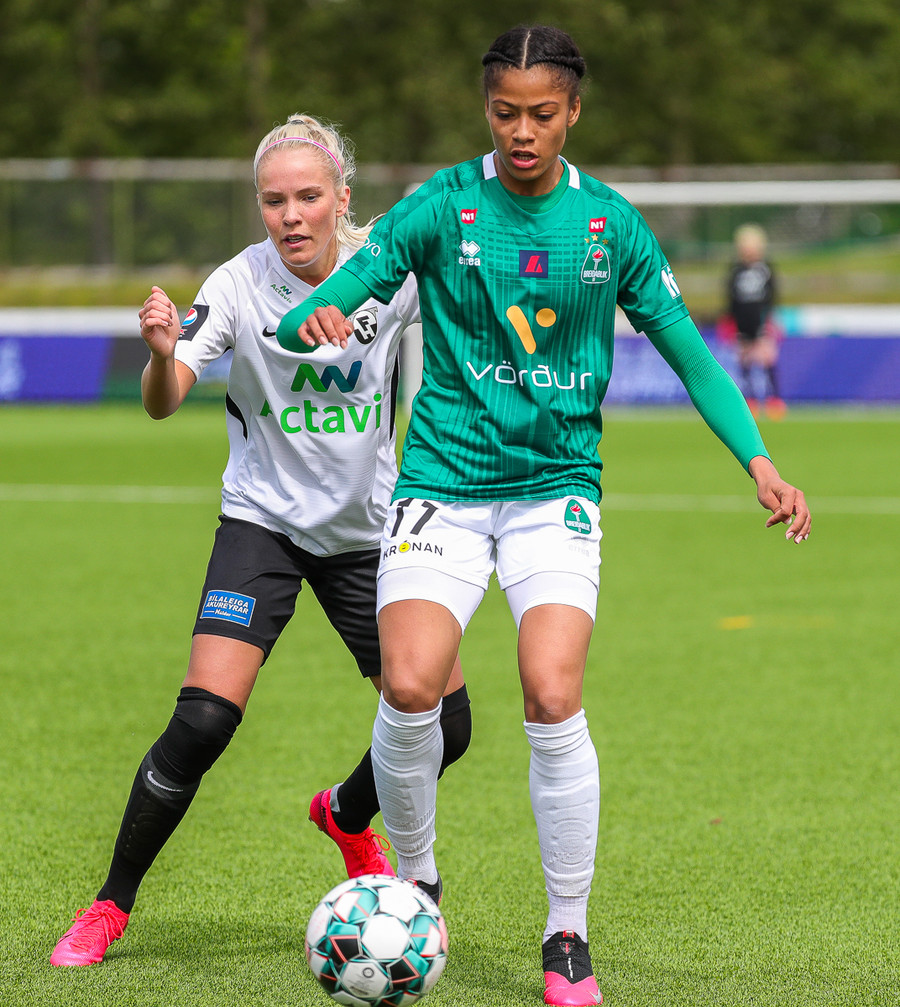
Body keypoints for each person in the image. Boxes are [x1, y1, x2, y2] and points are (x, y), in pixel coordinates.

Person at [277, 25, 811, 1007]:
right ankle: (416, 885)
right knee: (411, 684)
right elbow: (341, 290)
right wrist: (316, 313)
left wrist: (761, 461)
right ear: (487, 110)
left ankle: (567, 930)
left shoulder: (610, 225)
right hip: (442, 484)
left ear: (573, 112)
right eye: (504, 113)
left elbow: (690, 352)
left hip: (556, 490)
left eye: (542, 114)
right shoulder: (442, 203)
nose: (521, 131)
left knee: (552, 692)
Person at [50, 114, 471, 968]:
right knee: (203, 719)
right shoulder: (238, 283)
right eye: (274, 200)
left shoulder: (387, 274)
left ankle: (346, 811)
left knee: (448, 725)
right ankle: (109, 904)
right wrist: (161, 355)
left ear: (341, 199)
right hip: (263, 526)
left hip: (369, 534)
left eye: (308, 196)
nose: (290, 215)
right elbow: (165, 398)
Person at [725, 223, 784, 419]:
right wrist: (729, 322)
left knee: (767, 360)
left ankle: (774, 399)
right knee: (745, 362)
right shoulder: (736, 271)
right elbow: (730, 298)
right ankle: (750, 399)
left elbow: (773, 296)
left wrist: (770, 320)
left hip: (762, 322)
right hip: (742, 324)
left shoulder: (765, 269)